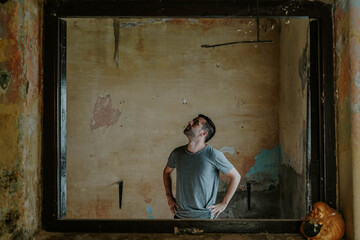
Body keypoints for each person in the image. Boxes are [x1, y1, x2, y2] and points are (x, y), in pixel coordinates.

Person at [163, 114, 241, 219]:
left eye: (195, 123)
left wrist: (224, 203)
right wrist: (169, 197)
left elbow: (236, 176)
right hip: (180, 216)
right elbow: (166, 172)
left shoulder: (213, 154)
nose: (189, 122)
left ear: (203, 133)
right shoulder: (177, 153)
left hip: (205, 217)